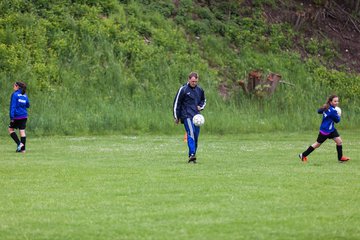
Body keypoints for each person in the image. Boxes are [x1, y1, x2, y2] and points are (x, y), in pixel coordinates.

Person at [299, 94, 350, 163]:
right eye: (335, 101)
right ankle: (303, 155)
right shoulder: (333, 111)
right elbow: (337, 121)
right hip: (325, 131)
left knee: (339, 141)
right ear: (330, 102)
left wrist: (324, 108)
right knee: (317, 144)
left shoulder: (327, 107)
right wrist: (339, 115)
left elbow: (319, 111)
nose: (337, 103)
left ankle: (340, 158)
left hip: (331, 129)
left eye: (337, 101)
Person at [173, 72, 206, 163]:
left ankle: (193, 156)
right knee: (190, 133)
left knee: (195, 136)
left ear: (197, 80)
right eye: (192, 81)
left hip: (196, 116)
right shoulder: (183, 89)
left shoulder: (200, 90)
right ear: (188, 80)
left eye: (195, 81)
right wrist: (176, 117)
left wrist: (201, 106)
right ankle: (192, 154)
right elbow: (177, 103)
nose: (194, 83)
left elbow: (203, 100)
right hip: (186, 115)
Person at [8, 81, 30, 153]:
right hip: (24, 116)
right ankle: (23, 149)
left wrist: (12, 117)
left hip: (17, 116)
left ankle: (19, 144)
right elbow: (28, 105)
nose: (13, 86)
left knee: (10, 129)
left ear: (17, 86)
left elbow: (13, 106)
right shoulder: (25, 95)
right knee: (22, 131)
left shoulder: (15, 94)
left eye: (14, 85)